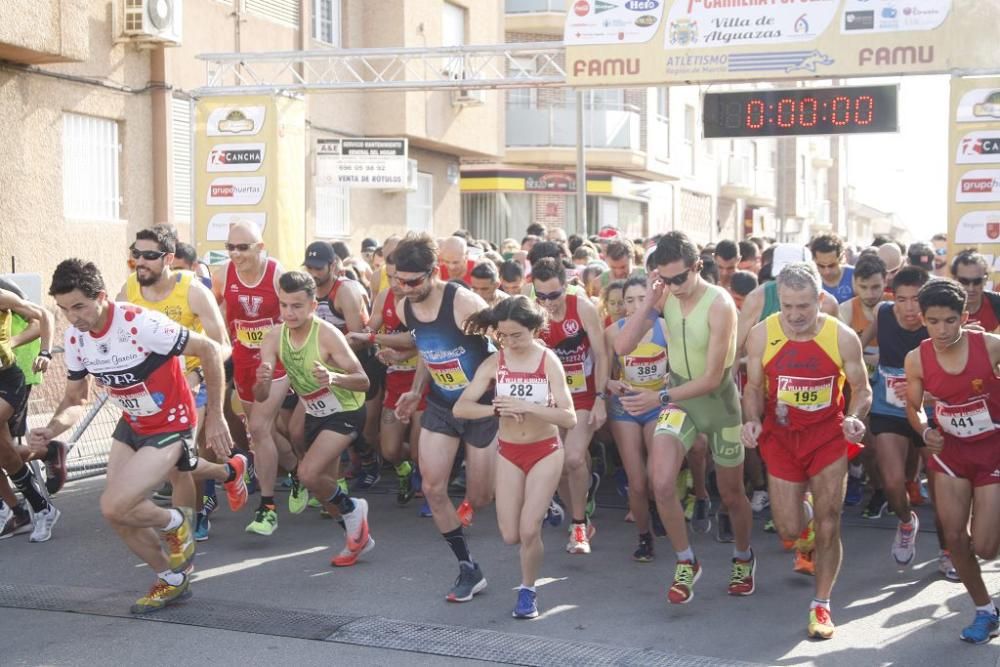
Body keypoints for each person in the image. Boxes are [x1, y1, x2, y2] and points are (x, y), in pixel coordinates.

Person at [31, 258, 232, 613]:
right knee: (117, 513)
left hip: (171, 421)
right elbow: (76, 399)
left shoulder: (140, 323)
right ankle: (171, 580)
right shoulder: (76, 337)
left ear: (102, 297)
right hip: (133, 423)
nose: (73, 316)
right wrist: (52, 428)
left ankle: (177, 521)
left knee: (113, 503)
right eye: (64, 309)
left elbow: (209, 350)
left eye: (79, 306)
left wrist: (215, 415)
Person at [616, 231, 755, 605]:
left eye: (680, 278)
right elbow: (622, 346)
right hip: (680, 400)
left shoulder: (720, 304)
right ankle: (686, 561)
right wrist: (648, 303)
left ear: (697, 267)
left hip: (719, 404)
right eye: (666, 278)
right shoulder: (664, 298)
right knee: (660, 483)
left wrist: (657, 397)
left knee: (732, 494)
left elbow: (711, 378)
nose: (674, 287)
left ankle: (743, 556)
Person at [741, 262, 871, 639]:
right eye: (787, 306)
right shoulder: (762, 335)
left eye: (804, 306)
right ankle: (806, 524)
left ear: (819, 300)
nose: (795, 315)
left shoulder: (842, 337)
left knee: (830, 523)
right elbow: (752, 387)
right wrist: (752, 420)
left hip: (827, 436)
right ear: (778, 302)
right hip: (781, 437)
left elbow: (862, 388)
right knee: (788, 527)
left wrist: (854, 415)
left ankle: (822, 605)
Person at [120, 226, 248, 542]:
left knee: (176, 463)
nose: (141, 262)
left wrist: (197, 376)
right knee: (176, 463)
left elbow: (224, 346)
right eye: (136, 254)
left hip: (192, 383)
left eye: (149, 256)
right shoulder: (129, 291)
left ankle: (186, 531)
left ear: (168, 258)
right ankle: (227, 472)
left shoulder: (192, 290)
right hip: (148, 389)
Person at [455, 296, 576, 618]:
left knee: (528, 530)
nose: (509, 342)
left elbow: (568, 417)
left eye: (517, 335)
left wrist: (529, 408)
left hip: (545, 450)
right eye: (502, 336)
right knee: (510, 535)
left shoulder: (548, 361)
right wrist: (494, 408)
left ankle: (528, 591)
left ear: (535, 330)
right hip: (508, 452)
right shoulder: (496, 362)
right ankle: (546, 504)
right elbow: (461, 407)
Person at [392, 233, 498, 603]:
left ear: (433, 272)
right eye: (399, 280)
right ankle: (468, 567)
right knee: (433, 487)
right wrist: (415, 390)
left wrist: (483, 389)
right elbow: (426, 349)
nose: (405, 288)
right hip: (441, 405)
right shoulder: (407, 305)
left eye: (413, 281)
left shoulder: (463, 302)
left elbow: (505, 348)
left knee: (481, 496)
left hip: (482, 406)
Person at [903, 280, 1000, 644]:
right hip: (950, 453)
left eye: (949, 321)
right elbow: (913, 407)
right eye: (933, 321)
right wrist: (925, 431)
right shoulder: (917, 358)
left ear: (964, 316)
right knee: (956, 537)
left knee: (988, 547)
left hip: (992, 447)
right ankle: (985, 610)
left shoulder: (990, 347)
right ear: (923, 319)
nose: (941, 330)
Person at [255, 271, 373, 567]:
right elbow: (260, 395)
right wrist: (262, 381)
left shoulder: (326, 334)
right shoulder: (274, 337)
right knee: (324, 490)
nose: (289, 313)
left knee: (308, 475)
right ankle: (358, 538)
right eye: (283, 305)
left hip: (346, 409)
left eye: (296, 306)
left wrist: (333, 376)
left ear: (312, 305)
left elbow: (363, 381)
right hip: (315, 411)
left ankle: (355, 510)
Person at [861, 266, 941, 570]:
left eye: (917, 299)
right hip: (888, 409)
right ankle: (906, 523)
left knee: (939, 488)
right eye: (902, 299)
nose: (910, 308)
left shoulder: (938, 323)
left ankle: (948, 551)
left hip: (929, 413)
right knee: (892, 483)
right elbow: (856, 346)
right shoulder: (882, 313)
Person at [211, 221, 288, 536]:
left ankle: (268, 507)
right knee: (259, 431)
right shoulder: (223, 274)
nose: (235, 253)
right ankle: (294, 470)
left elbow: (296, 317)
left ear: (260, 247)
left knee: (258, 429)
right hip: (243, 361)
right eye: (230, 247)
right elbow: (218, 315)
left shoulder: (276, 274)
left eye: (243, 247)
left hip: (275, 361)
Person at [533, 258, 609, 554]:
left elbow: (602, 355)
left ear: (566, 287)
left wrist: (601, 398)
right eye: (541, 296)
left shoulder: (583, 308)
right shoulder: (533, 313)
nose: (548, 302)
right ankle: (581, 513)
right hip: (552, 398)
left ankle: (578, 525)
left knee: (574, 458)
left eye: (554, 295)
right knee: (559, 467)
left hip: (585, 395)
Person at [303, 241, 382, 492]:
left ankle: (371, 462)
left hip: (361, 364)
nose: (314, 274)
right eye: (310, 268)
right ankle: (336, 473)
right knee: (319, 425)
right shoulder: (308, 291)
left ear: (333, 265)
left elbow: (358, 339)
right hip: (328, 366)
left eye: (318, 268)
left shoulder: (345, 291)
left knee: (365, 431)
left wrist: (329, 356)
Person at [346, 252, 422, 506]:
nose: (395, 283)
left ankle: (429, 489)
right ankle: (409, 470)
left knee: (421, 448)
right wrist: (359, 335)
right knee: (389, 449)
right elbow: (374, 324)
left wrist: (373, 339)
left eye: (399, 277)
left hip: (422, 379)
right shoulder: (384, 295)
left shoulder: (420, 300)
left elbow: (416, 340)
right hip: (395, 380)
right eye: (389, 277)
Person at [606, 276, 669, 561]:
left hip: (657, 405)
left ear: (651, 299)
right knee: (637, 481)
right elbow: (604, 374)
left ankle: (656, 506)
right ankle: (644, 537)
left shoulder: (665, 328)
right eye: (628, 300)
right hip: (625, 408)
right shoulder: (613, 331)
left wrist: (668, 383)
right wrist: (610, 384)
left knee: (655, 479)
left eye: (640, 299)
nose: (634, 305)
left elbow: (680, 369)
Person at [0, 282, 57, 542]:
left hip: (7, 381)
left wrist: (44, 352)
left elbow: (44, 315)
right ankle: (33, 510)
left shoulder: (2, 295)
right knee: (5, 453)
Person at [950, 250, 1000, 333]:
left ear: (985, 280)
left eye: (977, 281)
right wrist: (958, 336)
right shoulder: (942, 305)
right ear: (954, 279)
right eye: (964, 281)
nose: (971, 288)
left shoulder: (997, 303)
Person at [810, 234, 854, 303]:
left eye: (832, 265)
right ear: (814, 260)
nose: (827, 272)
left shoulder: (854, 275)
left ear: (841, 258)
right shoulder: (810, 280)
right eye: (821, 266)